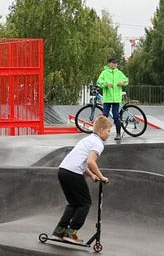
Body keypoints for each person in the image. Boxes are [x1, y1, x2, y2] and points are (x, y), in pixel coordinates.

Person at [53, 114, 112, 242]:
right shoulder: (98, 143)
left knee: (73, 203)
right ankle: (71, 232)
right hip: (73, 173)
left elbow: (81, 161)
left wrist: (91, 175)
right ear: (101, 130)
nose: (109, 134)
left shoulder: (86, 139)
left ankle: (59, 231)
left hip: (63, 170)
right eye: (108, 131)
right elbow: (91, 162)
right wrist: (101, 177)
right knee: (85, 203)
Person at [97, 57, 129, 140]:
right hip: (107, 98)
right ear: (109, 63)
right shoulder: (104, 73)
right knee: (104, 116)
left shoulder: (119, 73)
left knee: (116, 116)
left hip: (116, 99)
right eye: (113, 63)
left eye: (116, 63)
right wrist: (106, 84)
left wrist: (123, 82)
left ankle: (118, 134)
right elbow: (98, 82)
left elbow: (126, 80)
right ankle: (102, 134)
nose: (115, 64)